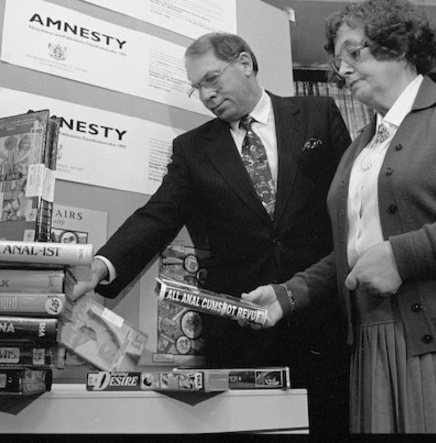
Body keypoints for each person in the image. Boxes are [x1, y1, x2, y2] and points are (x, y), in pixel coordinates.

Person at [241, 0, 436, 433]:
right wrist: (289, 293)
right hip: (377, 348)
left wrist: (403, 257)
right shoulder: (359, 147)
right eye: (338, 62)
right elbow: (357, 251)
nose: (344, 69)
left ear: (401, 45)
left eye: (355, 51)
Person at [69, 32, 353, 434]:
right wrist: (100, 266)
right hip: (241, 334)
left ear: (245, 63)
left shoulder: (317, 114)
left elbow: (352, 202)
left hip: (322, 316)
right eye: (196, 87)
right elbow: (158, 215)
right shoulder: (192, 149)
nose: (205, 95)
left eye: (211, 79)